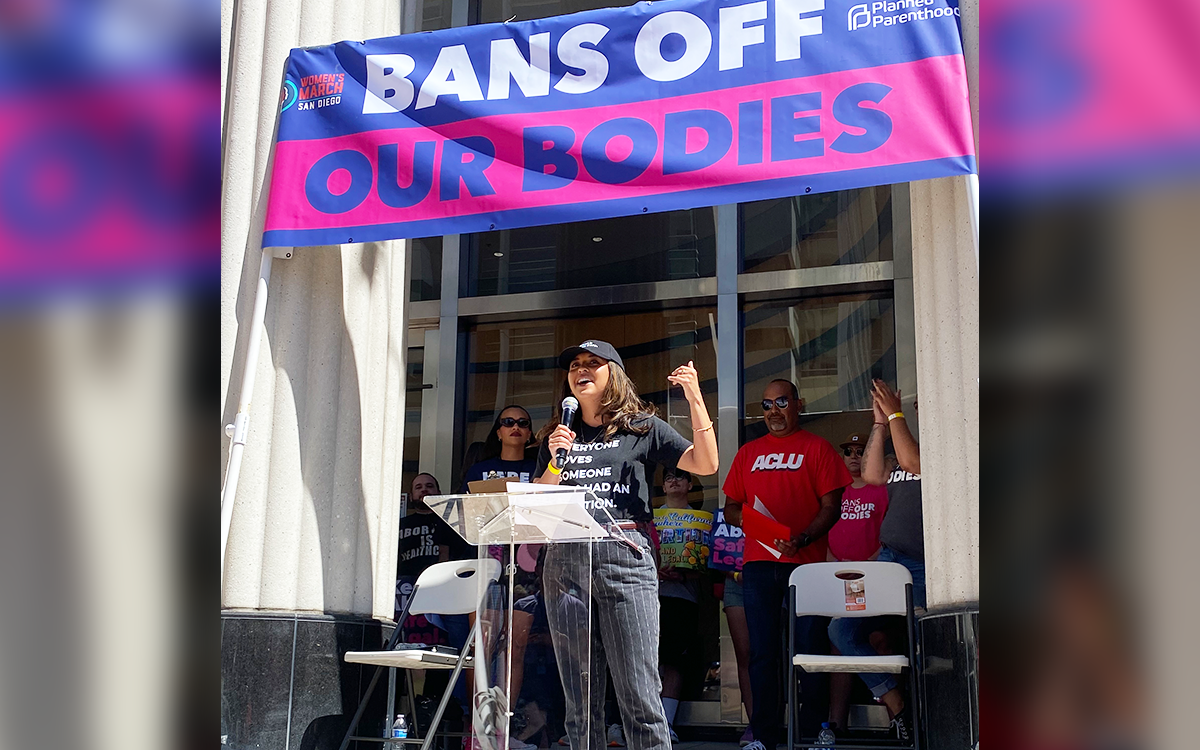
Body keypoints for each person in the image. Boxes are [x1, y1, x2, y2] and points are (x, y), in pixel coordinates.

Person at [534, 339, 718, 750]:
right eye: (575, 365)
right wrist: (556, 458)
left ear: (613, 374)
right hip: (565, 559)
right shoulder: (557, 435)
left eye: (592, 363)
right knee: (579, 697)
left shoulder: (641, 427)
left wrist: (694, 398)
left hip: (623, 554)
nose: (581, 370)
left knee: (638, 690)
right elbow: (538, 502)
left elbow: (706, 464)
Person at [721, 380, 852, 750]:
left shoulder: (818, 448)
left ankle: (812, 733)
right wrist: (749, 521)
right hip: (759, 562)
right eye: (766, 405)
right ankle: (765, 736)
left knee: (809, 647)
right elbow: (730, 506)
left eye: (781, 402)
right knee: (762, 652)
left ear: (798, 403)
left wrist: (803, 538)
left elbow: (832, 507)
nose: (773, 411)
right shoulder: (748, 452)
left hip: (805, 563)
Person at [826, 379, 923, 743]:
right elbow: (870, 474)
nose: (919, 410)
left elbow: (914, 463)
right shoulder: (900, 452)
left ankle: (923, 715)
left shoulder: (944, 446)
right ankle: (897, 704)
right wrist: (881, 423)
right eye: (917, 406)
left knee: (924, 640)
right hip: (888, 561)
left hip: (923, 567)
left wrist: (895, 414)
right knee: (841, 630)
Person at [820, 432, 890, 744]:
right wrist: (836, 569)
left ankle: (895, 718)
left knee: (871, 639)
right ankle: (837, 723)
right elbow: (824, 534)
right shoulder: (834, 493)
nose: (853, 457)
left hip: (873, 577)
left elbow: (888, 537)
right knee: (838, 644)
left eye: (860, 451)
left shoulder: (881, 490)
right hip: (837, 577)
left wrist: (865, 568)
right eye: (848, 451)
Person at [655, 468, 706, 744]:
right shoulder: (650, 519)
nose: (674, 481)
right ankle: (646, 722)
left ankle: (667, 723)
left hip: (684, 597)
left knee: (675, 660)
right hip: (650, 595)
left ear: (690, 485)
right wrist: (655, 571)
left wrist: (685, 575)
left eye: (680, 477)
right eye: (668, 478)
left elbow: (710, 566)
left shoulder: (701, 521)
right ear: (663, 487)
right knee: (648, 660)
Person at [462, 405, 539, 489]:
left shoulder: (539, 470)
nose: (515, 427)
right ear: (499, 433)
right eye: (508, 422)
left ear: (529, 435)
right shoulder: (478, 470)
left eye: (522, 423)